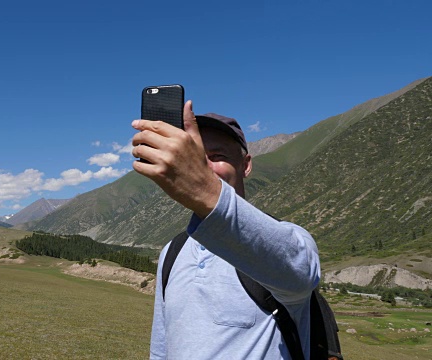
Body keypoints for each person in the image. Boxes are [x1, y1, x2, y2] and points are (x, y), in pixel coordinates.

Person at [131, 100, 320, 359]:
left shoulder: (290, 239)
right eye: (194, 157)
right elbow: (161, 349)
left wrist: (203, 189)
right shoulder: (172, 252)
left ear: (246, 164)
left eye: (217, 157)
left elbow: (300, 272)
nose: (202, 167)